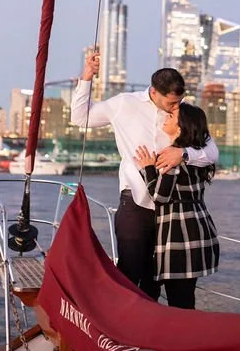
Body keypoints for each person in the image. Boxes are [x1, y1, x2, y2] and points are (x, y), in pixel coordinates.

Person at [70, 50, 219, 301]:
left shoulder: (181, 115)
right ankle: (119, 328)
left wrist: (182, 154)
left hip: (169, 212)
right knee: (128, 272)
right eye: (171, 102)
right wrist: (86, 77)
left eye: (179, 101)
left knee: (154, 278)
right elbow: (79, 117)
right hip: (136, 202)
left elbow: (212, 152)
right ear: (154, 92)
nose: (176, 106)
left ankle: (151, 331)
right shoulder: (123, 104)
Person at [134, 102, 220, 309]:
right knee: (184, 297)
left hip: (178, 233)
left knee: (175, 300)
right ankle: (187, 337)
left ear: (181, 127)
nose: (166, 118)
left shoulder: (171, 155)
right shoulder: (196, 155)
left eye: (171, 117)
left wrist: (147, 169)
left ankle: (168, 336)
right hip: (199, 228)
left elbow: (160, 197)